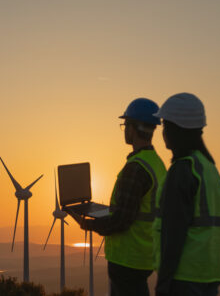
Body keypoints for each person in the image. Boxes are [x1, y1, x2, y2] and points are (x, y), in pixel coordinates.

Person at [80, 98, 167, 296]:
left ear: (133, 128)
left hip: (127, 258)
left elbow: (121, 220)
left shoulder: (136, 168)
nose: (124, 129)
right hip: (145, 256)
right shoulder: (158, 165)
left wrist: (89, 224)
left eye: (125, 124)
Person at [153, 93, 220, 296]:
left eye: (165, 125)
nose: (163, 132)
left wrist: (163, 284)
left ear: (177, 128)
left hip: (183, 278)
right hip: (208, 276)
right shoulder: (209, 169)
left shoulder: (183, 171)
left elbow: (173, 234)